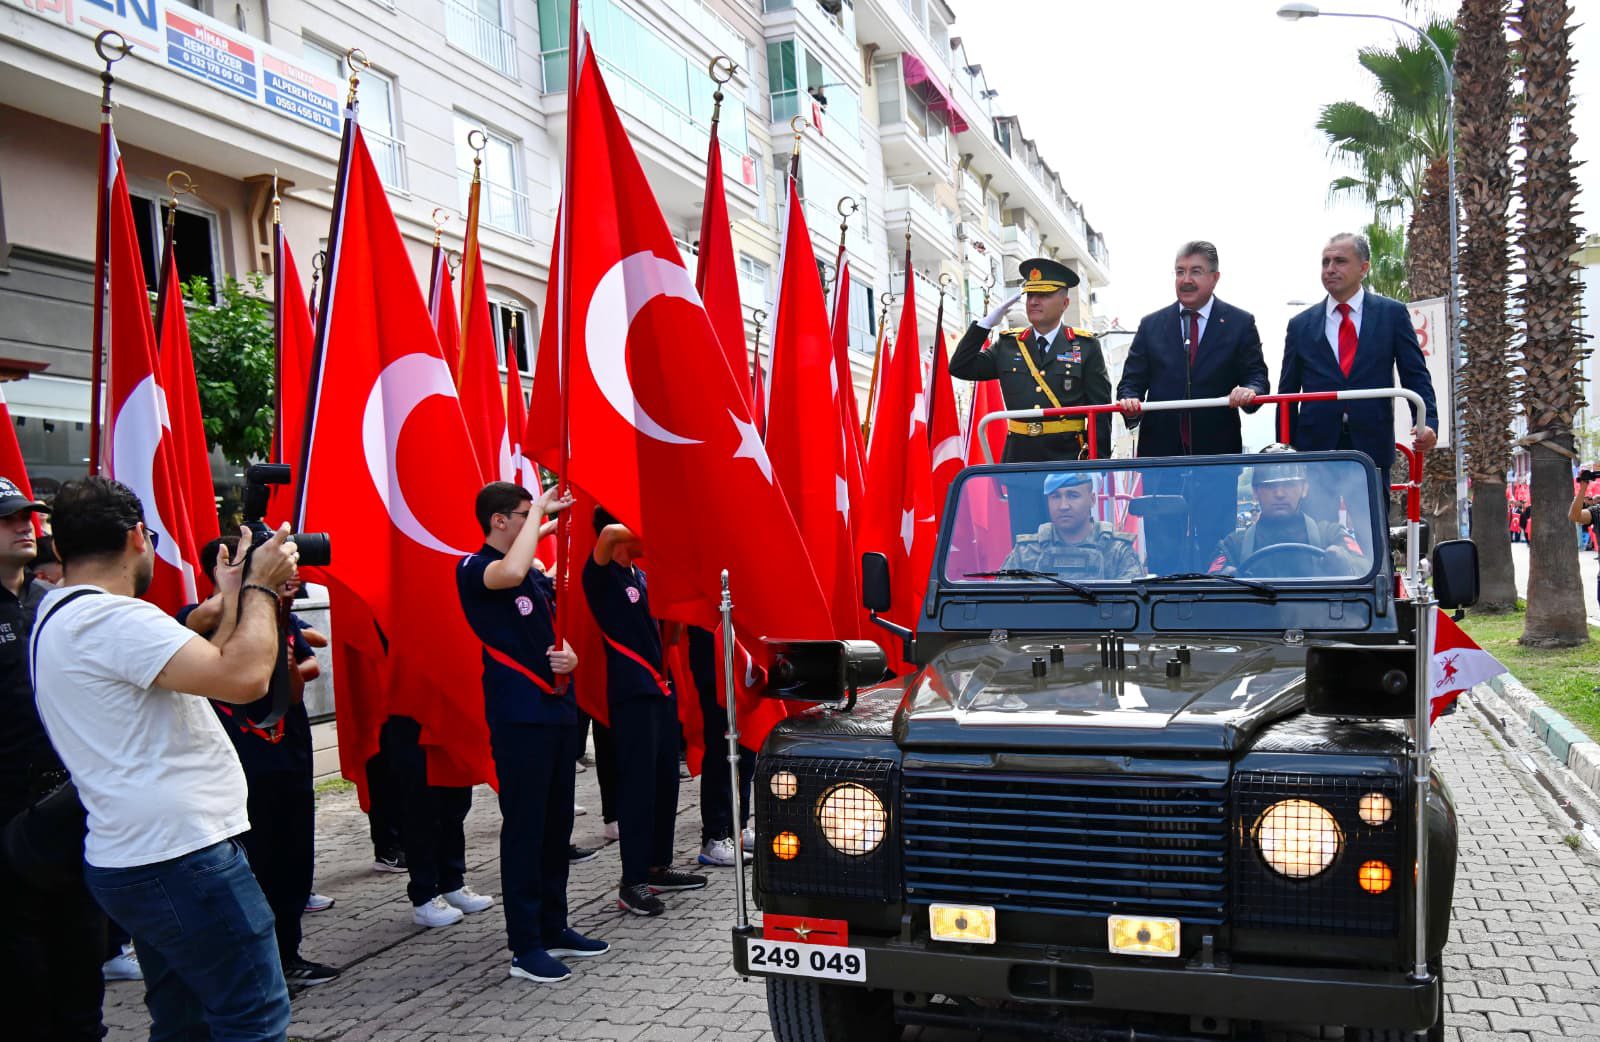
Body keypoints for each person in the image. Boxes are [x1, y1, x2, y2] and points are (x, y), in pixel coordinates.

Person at [33, 477, 296, 1040]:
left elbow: (213, 668)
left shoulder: (61, 614)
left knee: (186, 1020)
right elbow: (245, 677)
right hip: (182, 856)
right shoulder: (115, 619)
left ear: (60, 548)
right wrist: (262, 589)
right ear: (136, 538)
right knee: (254, 1015)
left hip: (137, 857)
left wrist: (231, 598)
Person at [456, 481, 608, 985]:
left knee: (555, 823)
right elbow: (514, 567)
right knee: (525, 827)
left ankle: (553, 924)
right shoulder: (476, 569)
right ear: (499, 521)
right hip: (519, 717)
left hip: (557, 711)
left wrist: (572, 656)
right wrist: (542, 510)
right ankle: (525, 945)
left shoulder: (532, 580)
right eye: (522, 515)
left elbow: (550, 631)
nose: (530, 524)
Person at [179, 536, 342, 987]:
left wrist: (281, 614)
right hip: (237, 771)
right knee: (253, 870)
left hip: (287, 759)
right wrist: (243, 592)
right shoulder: (198, 620)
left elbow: (289, 691)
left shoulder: (275, 619)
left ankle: (287, 957)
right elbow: (202, 622)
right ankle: (255, 969)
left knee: (292, 865)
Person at [0, 477, 109, 1041]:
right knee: (22, 983)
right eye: (8, 519)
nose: (25, 526)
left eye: (28, 515)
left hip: (69, 812)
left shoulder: (52, 602)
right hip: (7, 819)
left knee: (79, 961)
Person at [1116, 242, 1270, 572]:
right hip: (1162, 459)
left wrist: (1250, 391)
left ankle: (1217, 616)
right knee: (1163, 547)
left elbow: (1258, 377)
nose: (1186, 280)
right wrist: (1130, 401)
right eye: (1180, 272)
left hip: (1216, 458)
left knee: (1215, 545)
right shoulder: (1151, 325)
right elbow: (1130, 383)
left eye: (1196, 272)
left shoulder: (1240, 323)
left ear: (1214, 277)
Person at [583, 509, 707, 916]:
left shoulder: (643, 575)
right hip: (630, 691)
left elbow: (669, 633)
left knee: (664, 781)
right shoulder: (601, 572)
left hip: (659, 685)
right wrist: (664, 525)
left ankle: (657, 865)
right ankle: (631, 880)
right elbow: (610, 534)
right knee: (637, 786)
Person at [1278, 232, 1439, 515]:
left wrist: (1428, 422)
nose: (1330, 269)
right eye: (1325, 262)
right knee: (1317, 536)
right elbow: (1287, 393)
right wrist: (1284, 452)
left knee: (1374, 537)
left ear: (1364, 268)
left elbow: (1415, 374)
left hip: (1371, 444)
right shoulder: (1301, 325)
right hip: (1316, 449)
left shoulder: (1392, 314)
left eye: (1340, 261)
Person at [950, 257, 1112, 464]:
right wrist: (986, 324)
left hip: (1069, 458)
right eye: (1030, 295)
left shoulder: (1085, 346)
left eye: (1044, 295)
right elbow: (960, 367)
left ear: (1065, 303)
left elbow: (1100, 412)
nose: (1034, 301)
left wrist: (1099, 465)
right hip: (1020, 458)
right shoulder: (1009, 344)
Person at [1208, 449, 1369, 577]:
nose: (1279, 493)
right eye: (1270, 486)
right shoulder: (1234, 545)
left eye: (1289, 484)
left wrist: (1344, 562)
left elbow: (1365, 571)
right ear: (1255, 492)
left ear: (1304, 488)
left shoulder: (1330, 535)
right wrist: (1225, 578)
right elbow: (1211, 587)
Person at [1001, 472, 1142, 580]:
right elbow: (999, 606)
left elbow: (1131, 611)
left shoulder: (1117, 552)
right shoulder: (1025, 553)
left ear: (1092, 500)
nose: (1063, 506)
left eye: (1073, 496)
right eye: (1055, 496)